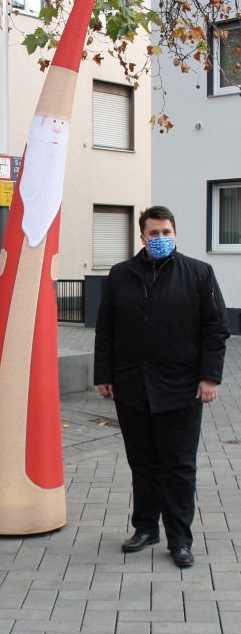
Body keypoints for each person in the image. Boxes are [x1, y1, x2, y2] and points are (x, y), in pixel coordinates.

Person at [94, 205, 229, 569]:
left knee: (179, 466)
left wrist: (210, 376)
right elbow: (105, 329)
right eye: (153, 234)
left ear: (175, 233)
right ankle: (145, 528)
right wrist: (104, 375)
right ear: (142, 237)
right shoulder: (121, 275)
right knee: (143, 464)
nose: (160, 239)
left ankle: (180, 540)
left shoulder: (199, 274)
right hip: (132, 387)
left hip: (182, 387)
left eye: (166, 232)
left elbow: (215, 329)